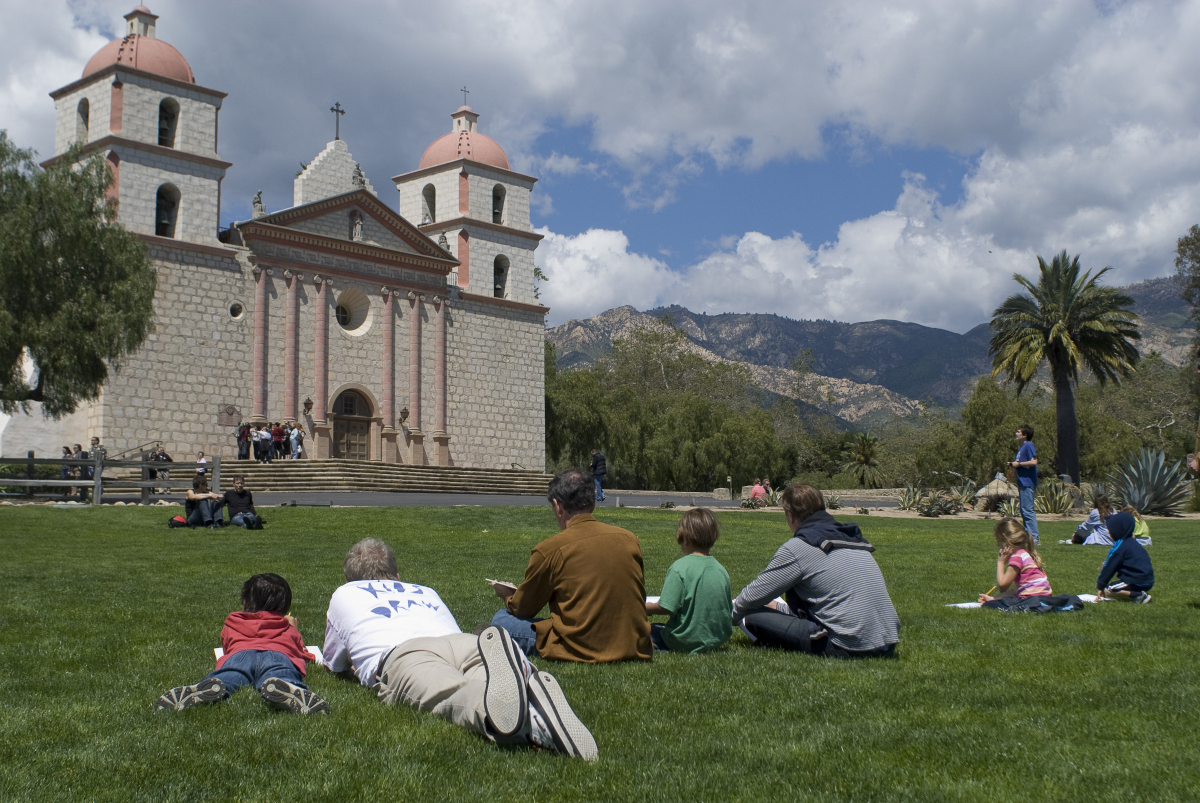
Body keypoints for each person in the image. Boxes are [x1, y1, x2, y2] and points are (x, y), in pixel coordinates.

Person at [321, 538, 597, 758]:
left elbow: (335, 664)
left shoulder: (345, 594)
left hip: (406, 654)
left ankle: (531, 723)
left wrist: (353, 669)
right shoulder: (423, 589)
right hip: (464, 642)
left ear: (350, 580)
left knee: (455, 694)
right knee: (486, 677)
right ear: (397, 575)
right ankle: (528, 691)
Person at [490, 468, 652, 663]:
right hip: (632, 644)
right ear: (591, 504)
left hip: (579, 647)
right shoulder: (629, 539)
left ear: (558, 506)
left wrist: (507, 595)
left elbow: (523, 609)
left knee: (501, 620)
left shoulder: (549, 550)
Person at [732, 483, 900, 658]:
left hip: (848, 645)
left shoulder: (799, 547)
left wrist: (730, 616)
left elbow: (751, 597)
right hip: (886, 644)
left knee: (752, 617)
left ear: (790, 516)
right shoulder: (851, 538)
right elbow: (828, 602)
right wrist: (778, 608)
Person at [155, 573, 329, 714]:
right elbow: (300, 651)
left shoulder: (232, 623)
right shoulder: (286, 627)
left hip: (240, 655)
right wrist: (295, 630)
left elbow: (227, 645)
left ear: (245, 602)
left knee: (230, 674)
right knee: (281, 673)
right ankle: (287, 687)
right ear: (284, 607)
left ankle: (210, 686)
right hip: (278, 655)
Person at [644, 508, 732, 653]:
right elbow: (727, 608)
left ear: (684, 539)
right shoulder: (721, 570)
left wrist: (644, 608)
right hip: (715, 640)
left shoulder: (679, 568)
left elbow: (666, 607)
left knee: (644, 630)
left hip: (683, 640)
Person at [978, 518, 1052, 603]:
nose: (998, 545)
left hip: (1030, 600)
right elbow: (1017, 590)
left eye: (999, 541)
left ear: (1007, 540)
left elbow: (1002, 586)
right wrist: (993, 598)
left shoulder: (1017, 557)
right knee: (997, 602)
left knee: (992, 606)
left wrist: (1000, 562)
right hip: (1044, 599)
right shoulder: (1025, 554)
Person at [1096, 512, 1155, 604]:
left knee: (1109, 589)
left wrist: (1100, 585)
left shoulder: (1121, 547)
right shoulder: (1133, 544)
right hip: (1148, 580)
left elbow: (1109, 569)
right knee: (1116, 586)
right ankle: (1137, 593)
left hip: (1136, 580)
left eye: (1110, 530)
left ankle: (1138, 595)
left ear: (1117, 530)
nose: (1109, 532)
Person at [1010, 425, 1039, 545]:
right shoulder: (1022, 448)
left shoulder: (1028, 445)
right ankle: (1028, 536)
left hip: (1027, 482)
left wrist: (1019, 464)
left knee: (1027, 510)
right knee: (1024, 510)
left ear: (1025, 435)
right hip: (1022, 482)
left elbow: (1034, 461)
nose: (1016, 433)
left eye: (1018, 431)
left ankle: (1035, 538)